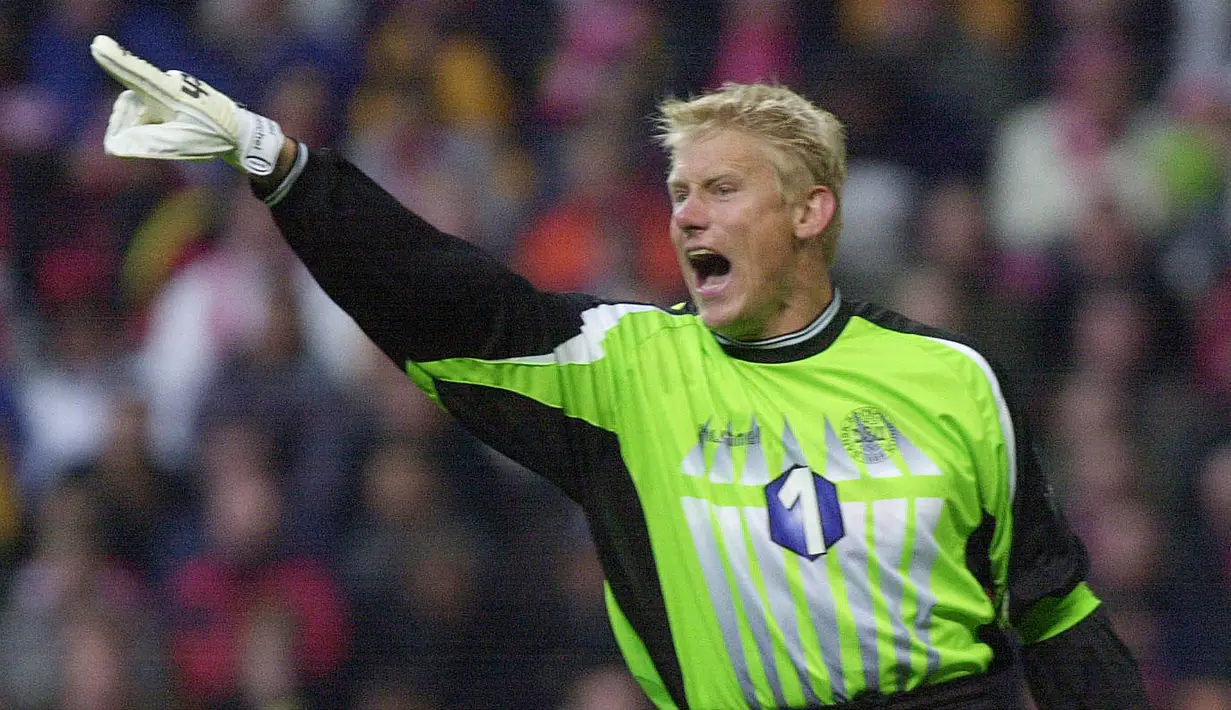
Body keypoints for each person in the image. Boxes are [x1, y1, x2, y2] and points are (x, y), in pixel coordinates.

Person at [89, 35, 1148, 709]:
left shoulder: (951, 378)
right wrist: (285, 166)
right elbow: (447, 300)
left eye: (722, 188)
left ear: (810, 210)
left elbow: (1054, 610)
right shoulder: (630, 364)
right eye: (679, 190)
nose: (685, 213)